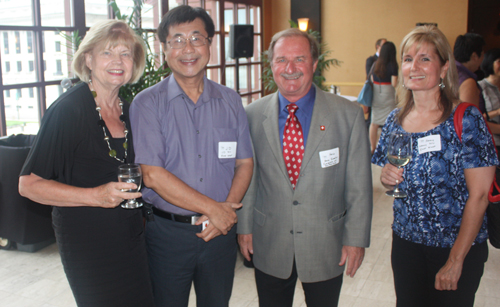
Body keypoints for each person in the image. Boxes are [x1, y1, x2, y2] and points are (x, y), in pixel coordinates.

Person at [18, 20, 154, 307]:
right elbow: (28, 184)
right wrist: (95, 196)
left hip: (130, 237)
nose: (118, 61)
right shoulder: (69, 110)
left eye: (125, 53)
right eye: (107, 52)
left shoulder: (128, 110)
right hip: (88, 242)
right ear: (88, 59)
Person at [237, 28, 373, 307]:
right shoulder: (251, 115)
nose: (290, 68)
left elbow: (359, 185)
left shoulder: (347, 115)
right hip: (269, 240)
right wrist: (244, 227)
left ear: (314, 63)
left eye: (299, 59)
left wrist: (356, 238)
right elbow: (248, 179)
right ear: (271, 65)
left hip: (326, 243)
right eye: (280, 60)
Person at [129, 5, 253, 307]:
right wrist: (216, 210)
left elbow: (244, 163)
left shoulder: (230, 100)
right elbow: (152, 175)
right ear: (164, 48)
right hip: (168, 235)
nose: (188, 48)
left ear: (210, 44)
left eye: (197, 38)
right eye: (177, 40)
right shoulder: (147, 103)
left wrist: (221, 215)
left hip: (219, 235)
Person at [372, 25, 498, 307]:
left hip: (456, 247)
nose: (413, 66)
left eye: (424, 58)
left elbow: (479, 195)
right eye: (407, 59)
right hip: (406, 244)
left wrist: (455, 260)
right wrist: (387, 178)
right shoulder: (394, 120)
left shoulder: (466, 119)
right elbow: (389, 177)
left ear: (443, 68)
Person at [369, 41, 398, 153]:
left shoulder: (376, 64)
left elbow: (371, 79)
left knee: (374, 122)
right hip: (388, 95)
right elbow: (394, 83)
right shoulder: (393, 65)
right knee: (391, 121)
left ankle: (373, 147)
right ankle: (388, 148)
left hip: (377, 93)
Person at [479, 48, 500, 152]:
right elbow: (477, 117)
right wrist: (497, 112)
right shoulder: (479, 87)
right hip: (491, 142)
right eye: (499, 62)